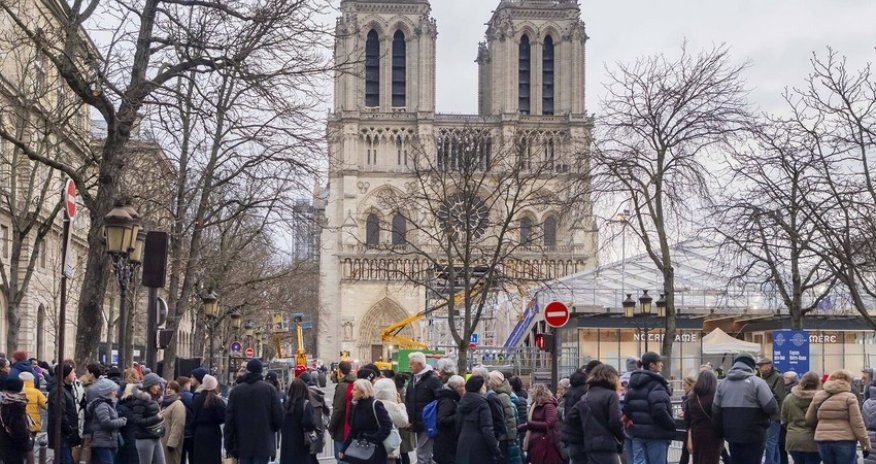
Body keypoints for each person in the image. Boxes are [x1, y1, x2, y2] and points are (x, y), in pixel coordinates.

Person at [713, 354, 779, 464]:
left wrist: (721, 431)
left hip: (731, 434)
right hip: (754, 434)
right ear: (751, 366)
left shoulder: (722, 384)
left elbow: (715, 410)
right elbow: (772, 408)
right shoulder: (758, 383)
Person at [224, 359, 283, 464]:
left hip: (242, 443)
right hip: (263, 442)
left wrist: (228, 444)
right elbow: (278, 417)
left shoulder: (236, 391)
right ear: (261, 371)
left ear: (247, 371)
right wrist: (270, 430)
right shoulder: (269, 390)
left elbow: (229, 420)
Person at [806, 369, 871, 464]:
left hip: (823, 440)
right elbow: (857, 423)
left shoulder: (818, 396)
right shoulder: (849, 397)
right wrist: (865, 444)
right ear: (848, 381)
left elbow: (809, 418)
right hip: (845, 440)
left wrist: (822, 427)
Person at [622, 352, 675, 464]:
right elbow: (659, 410)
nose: (662, 364)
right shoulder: (657, 384)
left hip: (638, 433)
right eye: (659, 362)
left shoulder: (633, 384)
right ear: (652, 365)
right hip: (656, 433)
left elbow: (627, 407)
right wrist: (671, 424)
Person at [574, 364, 624, 464]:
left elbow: (573, 418)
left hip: (589, 443)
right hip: (607, 444)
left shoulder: (585, 396)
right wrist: (622, 436)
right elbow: (615, 421)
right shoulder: (611, 395)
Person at [339, 379, 392, 464]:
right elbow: (353, 430)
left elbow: (387, 426)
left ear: (363, 392)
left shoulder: (376, 405)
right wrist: (344, 449)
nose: (352, 392)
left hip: (375, 451)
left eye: (355, 390)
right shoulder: (356, 406)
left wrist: (373, 439)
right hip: (359, 449)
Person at [404, 352, 443, 464]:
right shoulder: (413, 379)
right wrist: (410, 420)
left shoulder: (432, 379)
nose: (410, 366)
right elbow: (408, 400)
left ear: (420, 364)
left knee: (422, 454)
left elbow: (440, 399)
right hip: (418, 422)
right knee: (425, 454)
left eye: (412, 364)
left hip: (428, 422)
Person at [455, 376, 501, 464]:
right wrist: (496, 450)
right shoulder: (483, 404)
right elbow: (487, 429)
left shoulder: (462, 402)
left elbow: (458, 425)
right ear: (480, 388)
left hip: (463, 444)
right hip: (480, 447)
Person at [782, 371, 820, 464]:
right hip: (813, 441)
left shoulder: (789, 398)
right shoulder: (820, 399)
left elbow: (783, 420)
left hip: (793, 440)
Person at [87, 378, 127, 464]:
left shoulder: (109, 404)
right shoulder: (102, 405)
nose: (116, 393)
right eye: (114, 391)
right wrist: (122, 421)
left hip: (108, 441)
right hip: (103, 442)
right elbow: (106, 423)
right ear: (108, 392)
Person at [685, 370, 721, 464]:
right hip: (713, 434)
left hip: (696, 433)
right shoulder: (715, 397)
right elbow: (718, 416)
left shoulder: (692, 397)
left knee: (697, 459)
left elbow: (687, 418)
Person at [520, 383, 562, 464]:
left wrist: (530, 424)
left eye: (532, 392)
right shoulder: (536, 404)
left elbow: (550, 423)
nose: (530, 394)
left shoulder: (548, 405)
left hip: (545, 443)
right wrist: (521, 427)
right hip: (538, 442)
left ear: (537, 392)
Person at [48, 364, 80, 464]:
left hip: (66, 434)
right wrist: (69, 428)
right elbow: (59, 413)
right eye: (72, 372)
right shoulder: (59, 391)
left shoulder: (66, 389)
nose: (75, 374)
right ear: (66, 376)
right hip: (63, 434)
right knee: (66, 460)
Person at [131, 373, 167, 464]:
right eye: (156, 384)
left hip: (155, 436)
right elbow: (137, 420)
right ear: (149, 385)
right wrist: (156, 417)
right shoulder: (141, 400)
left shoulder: (154, 399)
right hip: (145, 439)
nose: (158, 387)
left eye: (159, 384)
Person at [758, 358, 786, 464]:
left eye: (762, 365)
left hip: (774, 415)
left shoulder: (778, 377)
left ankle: (769, 462)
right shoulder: (763, 378)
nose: (760, 368)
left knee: (770, 442)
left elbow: (779, 396)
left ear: (769, 366)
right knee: (773, 442)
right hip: (767, 414)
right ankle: (776, 461)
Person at [280, 379, 315, 464]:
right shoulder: (305, 404)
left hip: (287, 442)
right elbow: (309, 422)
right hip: (301, 441)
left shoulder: (286, 405)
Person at [374, 378, 409, 462]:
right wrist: (401, 404)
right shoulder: (392, 406)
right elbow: (403, 422)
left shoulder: (373, 403)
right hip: (389, 447)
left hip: (374, 446)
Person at [192, 375, 224, 464]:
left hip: (199, 432)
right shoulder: (216, 400)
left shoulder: (197, 398)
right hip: (213, 432)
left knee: (200, 457)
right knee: (212, 457)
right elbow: (223, 416)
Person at [490, 371, 521, 464]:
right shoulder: (502, 394)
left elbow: (510, 416)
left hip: (504, 438)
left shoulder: (502, 396)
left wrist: (510, 438)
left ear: (494, 382)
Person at [330, 360, 356, 464]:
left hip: (342, 427)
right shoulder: (356, 383)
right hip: (353, 427)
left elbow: (338, 409)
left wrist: (331, 426)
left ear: (340, 371)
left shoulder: (342, 386)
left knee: (341, 457)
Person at [0, 377, 31, 464]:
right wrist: (28, 442)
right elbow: (19, 429)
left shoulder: (4, 401)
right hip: (14, 448)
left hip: (4, 445)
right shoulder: (16, 405)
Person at [300, 371, 329, 461]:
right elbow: (326, 411)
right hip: (317, 430)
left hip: (307, 433)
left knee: (309, 457)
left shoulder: (303, 395)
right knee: (313, 456)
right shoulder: (318, 393)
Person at [434, 375, 464, 464]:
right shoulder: (448, 401)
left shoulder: (453, 398)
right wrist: (459, 415)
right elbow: (442, 419)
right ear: (457, 387)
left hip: (448, 442)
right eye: (463, 386)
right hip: (446, 443)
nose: (464, 389)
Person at [562, 369, 589, 464]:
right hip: (580, 434)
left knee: (574, 458)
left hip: (570, 433)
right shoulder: (585, 391)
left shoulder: (570, 390)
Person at [19, 372, 45, 464]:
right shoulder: (36, 392)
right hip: (33, 424)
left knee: (19, 447)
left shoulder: (18, 392)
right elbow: (45, 404)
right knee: (30, 447)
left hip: (20, 423)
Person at [160, 381, 186, 464]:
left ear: (177, 391)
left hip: (170, 443)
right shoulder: (164, 403)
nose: (169, 390)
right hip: (162, 440)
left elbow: (178, 425)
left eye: (172, 388)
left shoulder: (178, 404)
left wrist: (172, 443)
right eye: (167, 387)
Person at [176, 377, 195, 464]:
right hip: (190, 432)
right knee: (192, 457)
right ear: (185, 384)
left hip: (179, 432)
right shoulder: (191, 397)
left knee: (180, 458)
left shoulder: (176, 396)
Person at [677, 375, 696, 464]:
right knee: (686, 451)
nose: (683, 388)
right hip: (689, 428)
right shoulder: (687, 397)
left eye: (685, 385)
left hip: (692, 428)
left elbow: (693, 412)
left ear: (691, 385)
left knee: (687, 451)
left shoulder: (693, 397)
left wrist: (684, 413)